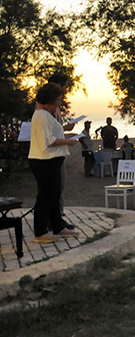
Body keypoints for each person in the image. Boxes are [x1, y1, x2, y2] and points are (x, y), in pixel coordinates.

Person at [28, 83, 79, 243]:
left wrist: (68, 136)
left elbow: (52, 133)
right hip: (44, 161)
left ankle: (58, 225)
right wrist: (68, 142)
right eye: (57, 99)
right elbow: (47, 141)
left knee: (55, 194)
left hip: (52, 159)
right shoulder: (41, 115)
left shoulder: (48, 115)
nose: (60, 102)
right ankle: (41, 231)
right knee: (45, 196)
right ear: (49, 100)